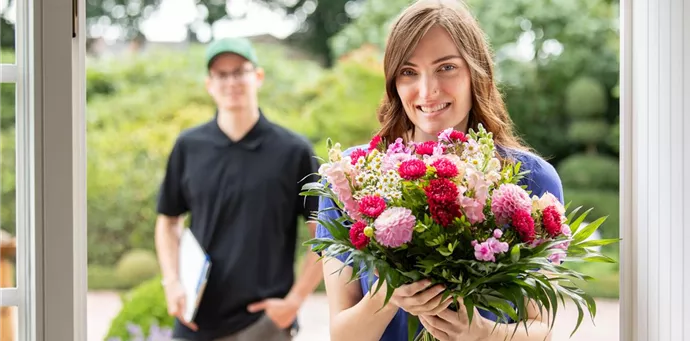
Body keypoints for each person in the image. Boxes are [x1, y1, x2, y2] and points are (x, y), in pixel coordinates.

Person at [315, 0, 562, 340]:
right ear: (393, 82)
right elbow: (342, 335)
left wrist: (481, 333)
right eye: (409, 72)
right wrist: (389, 295)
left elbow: (543, 329)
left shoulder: (531, 177)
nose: (428, 91)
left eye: (446, 68)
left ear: (477, 72)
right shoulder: (350, 177)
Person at [155, 37, 324, 341]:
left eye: (239, 71)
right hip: (195, 320)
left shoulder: (293, 151)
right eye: (221, 74)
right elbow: (168, 221)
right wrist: (172, 282)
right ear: (209, 84)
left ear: (257, 77)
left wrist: (295, 301)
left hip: (263, 324)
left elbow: (324, 235)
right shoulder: (189, 146)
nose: (231, 81)